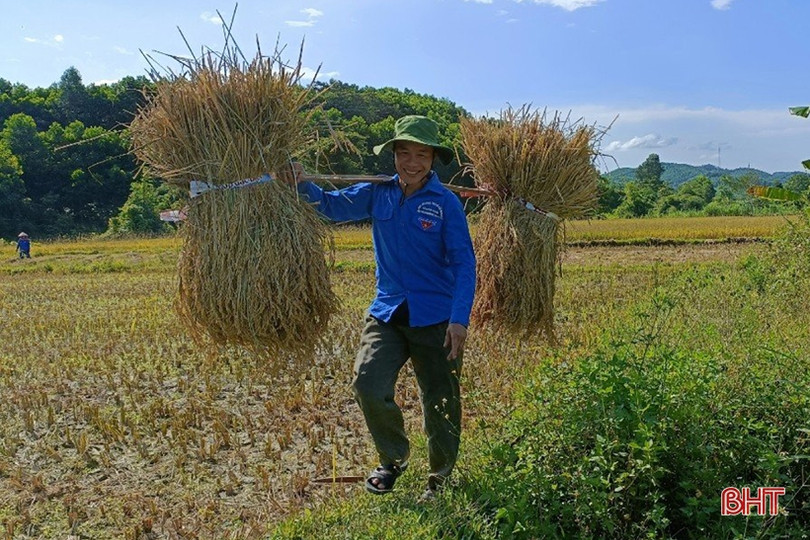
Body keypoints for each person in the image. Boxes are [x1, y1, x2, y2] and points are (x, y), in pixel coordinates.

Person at [281, 115, 476, 500]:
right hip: (387, 311)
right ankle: (393, 459)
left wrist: (459, 319)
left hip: (435, 318)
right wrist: (301, 183)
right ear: (394, 155)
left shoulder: (446, 203)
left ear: (433, 159)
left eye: (421, 154)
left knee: (440, 399)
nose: (412, 162)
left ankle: (440, 477)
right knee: (367, 383)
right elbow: (330, 206)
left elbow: (464, 263)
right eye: (405, 153)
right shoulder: (379, 192)